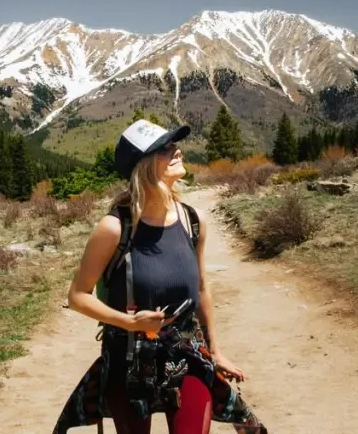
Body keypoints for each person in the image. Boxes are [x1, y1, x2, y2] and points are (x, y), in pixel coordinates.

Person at [53, 119, 266, 434]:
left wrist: (215, 351)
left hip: (188, 354)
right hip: (128, 359)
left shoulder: (192, 220)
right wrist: (129, 323)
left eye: (174, 145)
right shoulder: (114, 228)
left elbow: (202, 289)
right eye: (165, 149)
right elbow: (77, 296)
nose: (177, 151)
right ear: (144, 166)